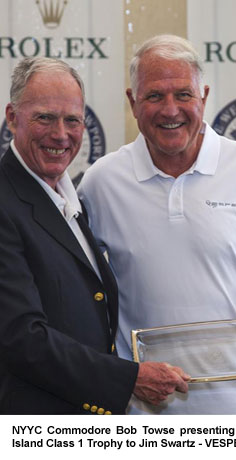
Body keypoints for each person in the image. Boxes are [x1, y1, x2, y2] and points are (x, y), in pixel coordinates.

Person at [78, 35, 236, 415]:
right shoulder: (101, 182)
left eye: (183, 95)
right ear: (132, 101)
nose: (171, 109)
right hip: (146, 416)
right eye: (154, 96)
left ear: (203, 97)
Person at [0, 56, 189, 415]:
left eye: (72, 120)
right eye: (44, 117)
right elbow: (19, 338)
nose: (60, 134)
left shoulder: (68, 198)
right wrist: (127, 379)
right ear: (12, 117)